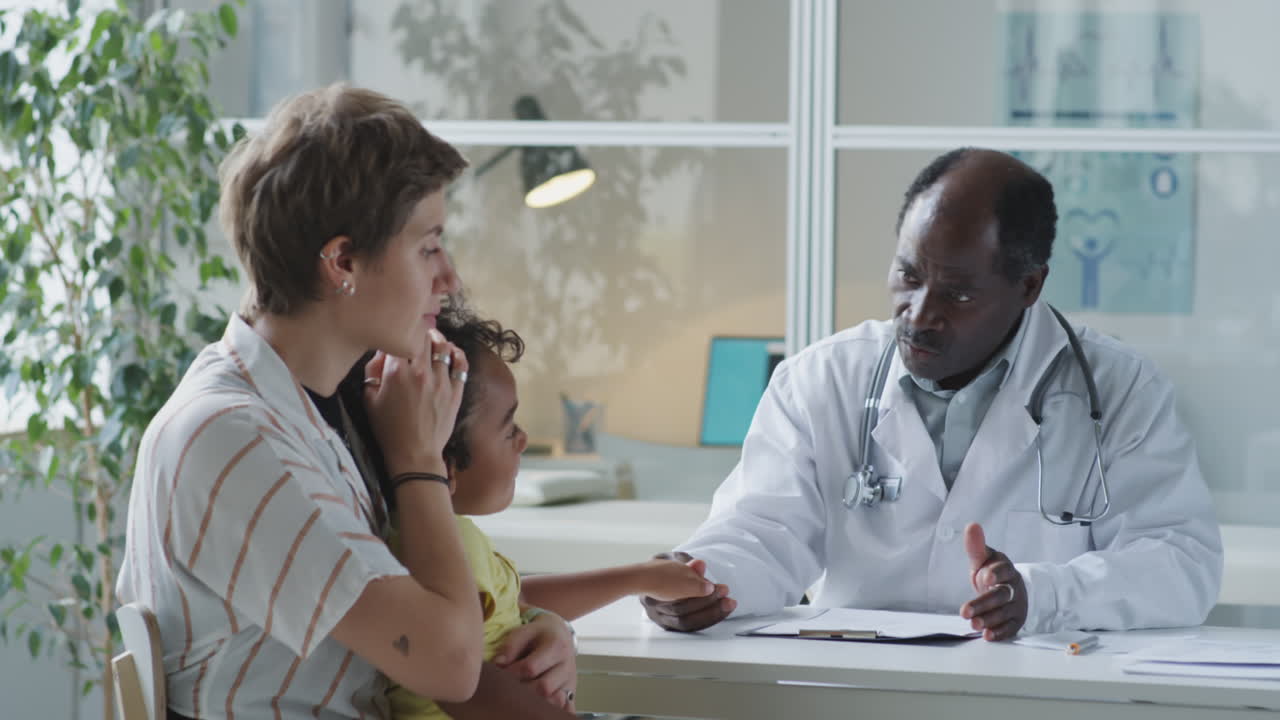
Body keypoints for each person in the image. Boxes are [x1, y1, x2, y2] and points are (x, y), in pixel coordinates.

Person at [643, 148, 1223, 640]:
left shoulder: (1118, 389)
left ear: (1028, 286)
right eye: (908, 277)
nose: (919, 315)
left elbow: (1182, 565)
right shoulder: (820, 380)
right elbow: (763, 532)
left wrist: (1043, 593)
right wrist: (701, 579)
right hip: (851, 690)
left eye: (958, 293)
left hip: (1032, 697)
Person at [117, 85, 487, 719]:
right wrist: (418, 460)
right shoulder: (229, 438)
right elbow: (450, 664)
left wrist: (543, 625)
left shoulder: (311, 410)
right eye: (428, 246)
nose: (448, 278)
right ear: (341, 262)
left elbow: (405, 600)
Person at [334, 305, 714, 719]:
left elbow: (512, 600)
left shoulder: (438, 535)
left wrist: (638, 577)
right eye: (508, 426)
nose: (523, 438)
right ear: (446, 461)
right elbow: (469, 688)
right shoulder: (430, 545)